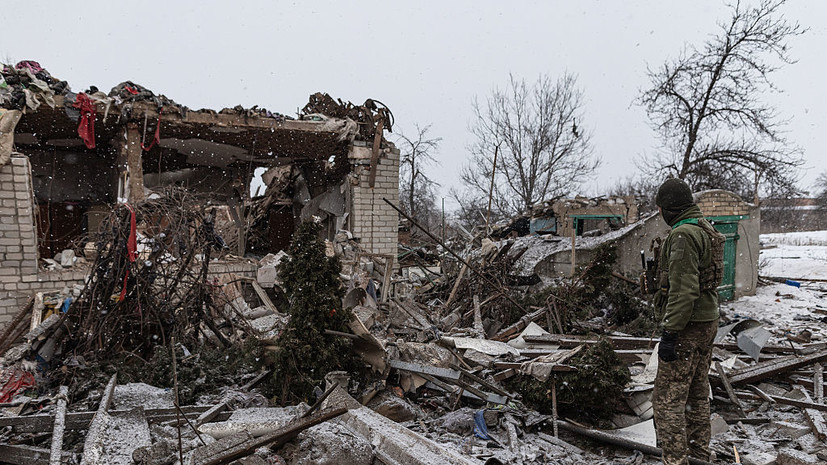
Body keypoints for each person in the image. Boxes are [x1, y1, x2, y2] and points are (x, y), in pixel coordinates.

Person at [652, 178, 723, 465]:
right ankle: (698, 457)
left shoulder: (682, 235)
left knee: (667, 402)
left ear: (670, 208)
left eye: (661, 208)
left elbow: (683, 290)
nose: (660, 214)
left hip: (688, 326)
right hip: (707, 322)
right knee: (696, 395)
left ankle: (676, 460)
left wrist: (670, 333)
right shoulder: (705, 227)